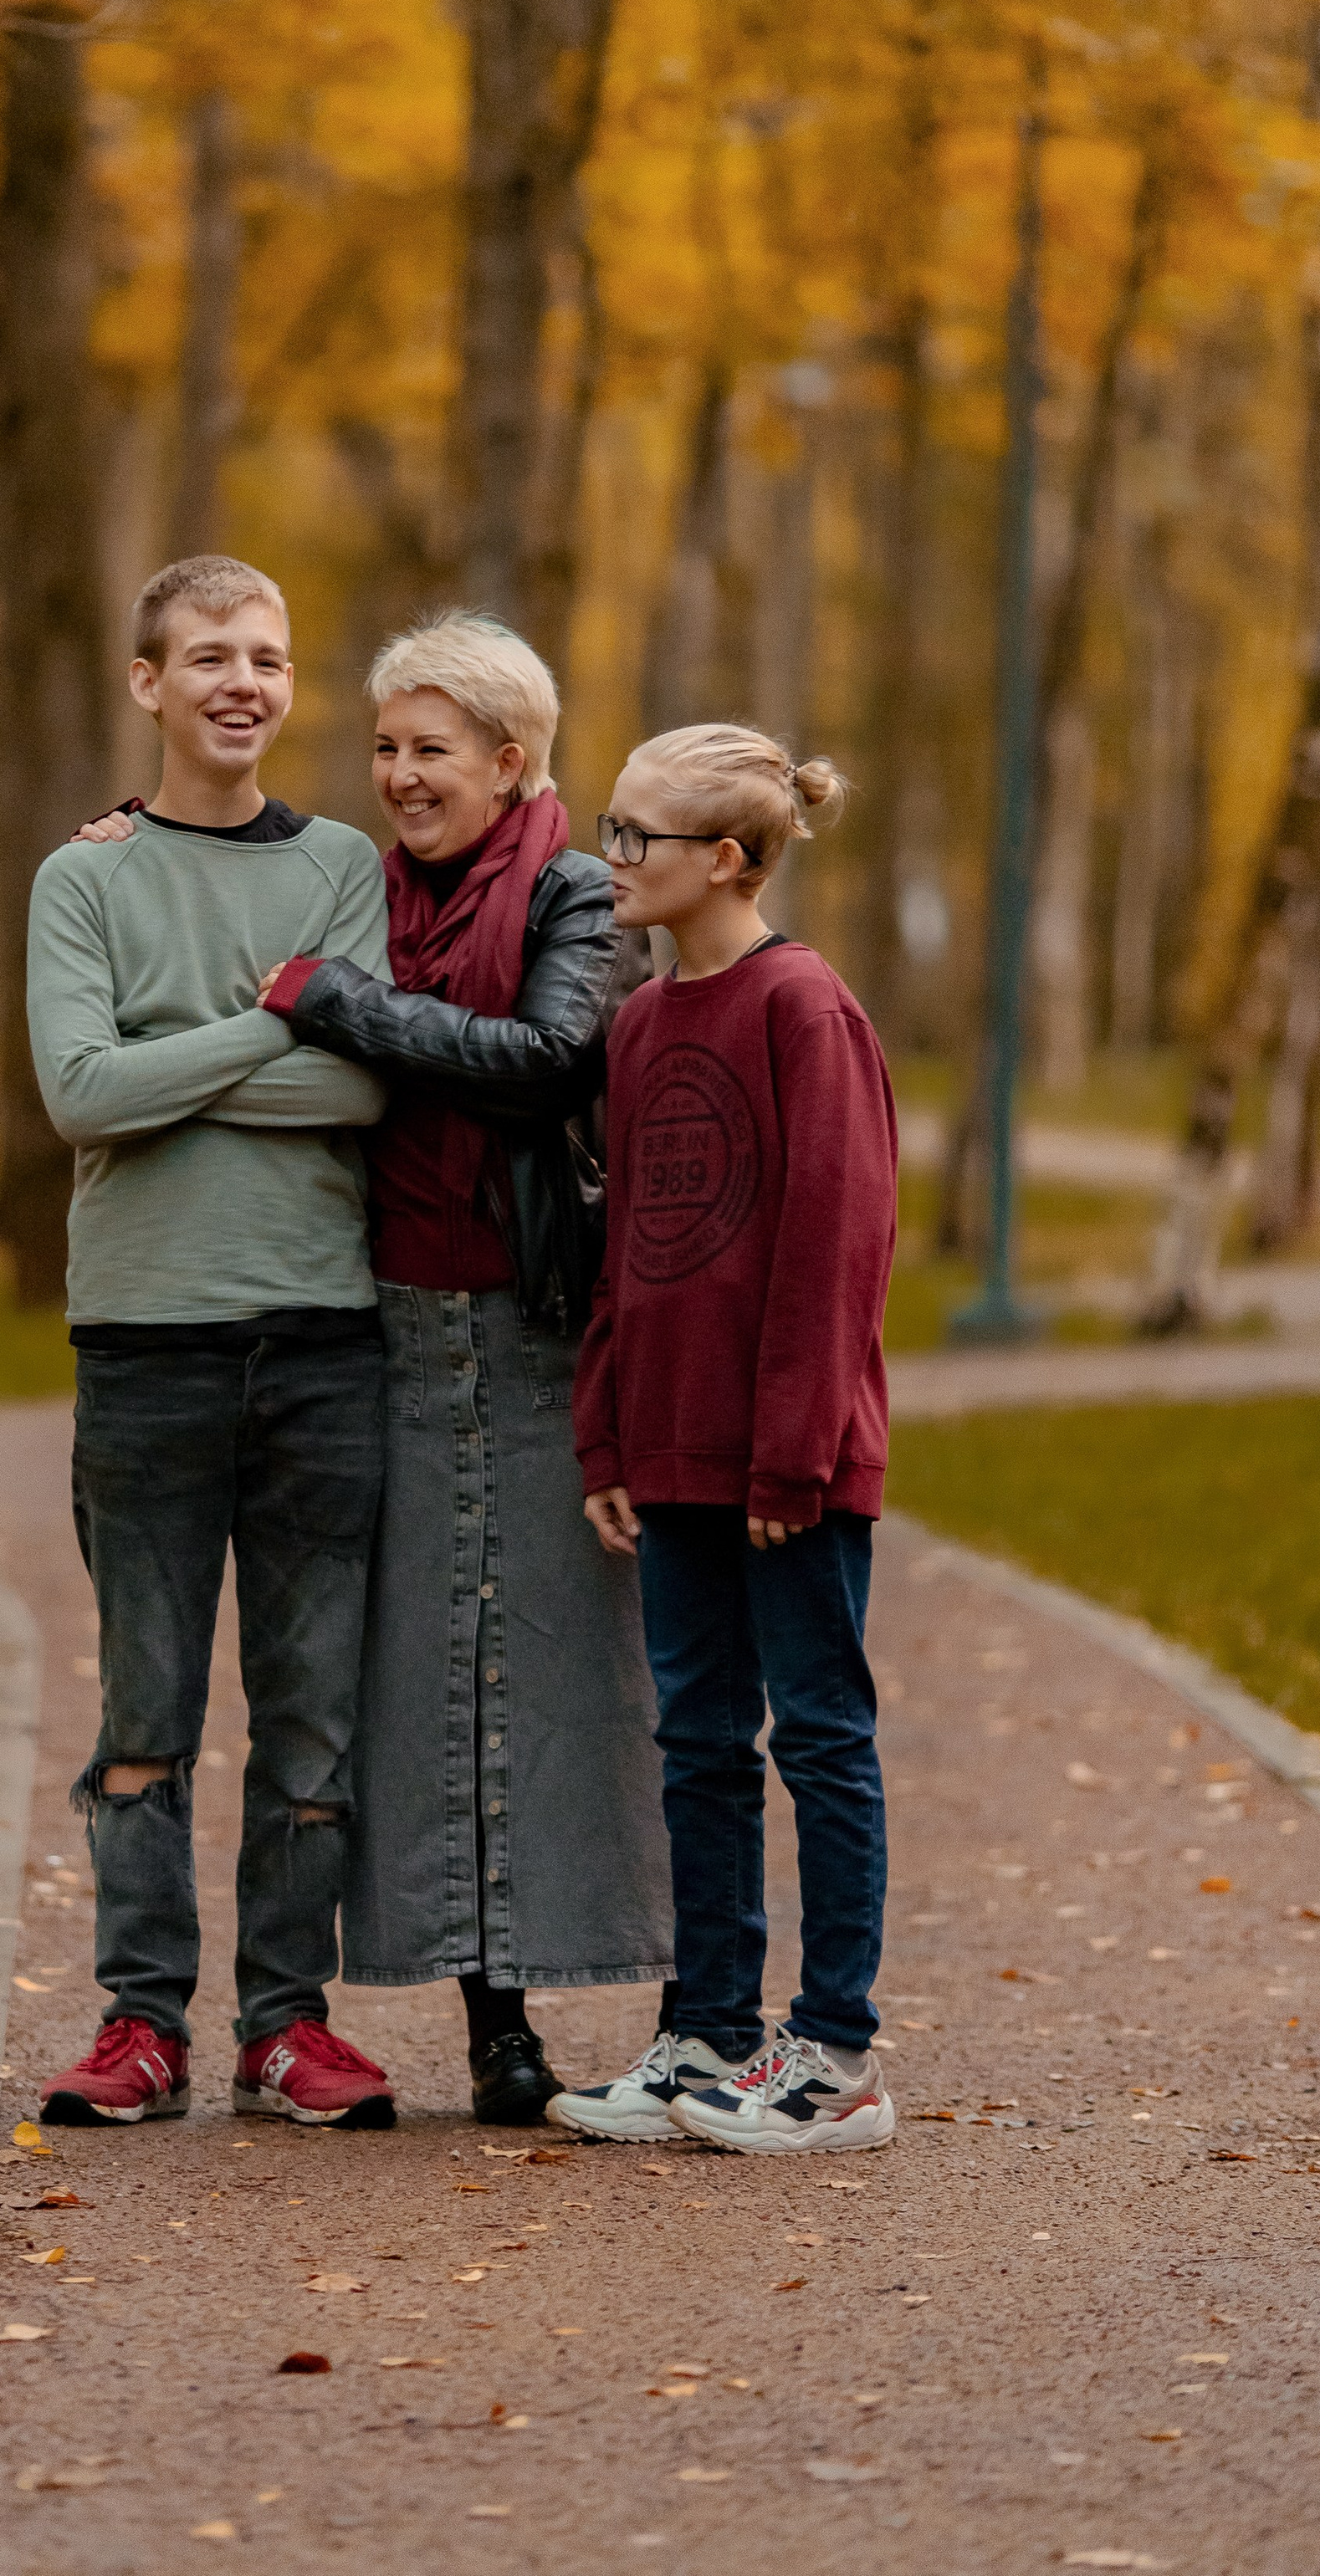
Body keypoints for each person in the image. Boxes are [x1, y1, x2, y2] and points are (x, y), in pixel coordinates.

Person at [254, 616, 672, 2124]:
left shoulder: (581, 893)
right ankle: (494, 2028)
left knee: (572, 1672)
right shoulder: (356, 887)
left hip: (541, 1326)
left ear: (511, 759)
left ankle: (665, 2012)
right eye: (384, 747)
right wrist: (125, 821)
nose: (400, 774)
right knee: (430, 1677)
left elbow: (548, 1059)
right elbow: (222, 856)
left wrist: (340, 1004)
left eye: (431, 748)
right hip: (393, 1324)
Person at [27, 554, 403, 2134]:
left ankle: (285, 2025)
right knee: (146, 1715)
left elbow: (366, 1082)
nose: (243, 681)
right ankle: (140, 2021)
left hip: (323, 1344)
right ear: (149, 683)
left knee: (312, 1718)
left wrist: (168, 1058)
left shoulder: (341, 865)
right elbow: (81, 1094)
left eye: (268, 656)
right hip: (145, 1347)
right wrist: (275, 1021)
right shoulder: (83, 879)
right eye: (209, 657)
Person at [545, 721, 899, 2156]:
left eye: (638, 836)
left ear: (731, 860)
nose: (611, 858)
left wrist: (793, 1450)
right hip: (677, 1453)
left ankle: (837, 2053)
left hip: (786, 1469)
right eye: (610, 828)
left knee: (818, 1736)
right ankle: (708, 2029)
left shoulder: (805, 1009)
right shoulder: (640, 1024)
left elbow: (838, 1243)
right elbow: (629, 1247)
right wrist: (608, 1433)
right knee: (696, 1742)